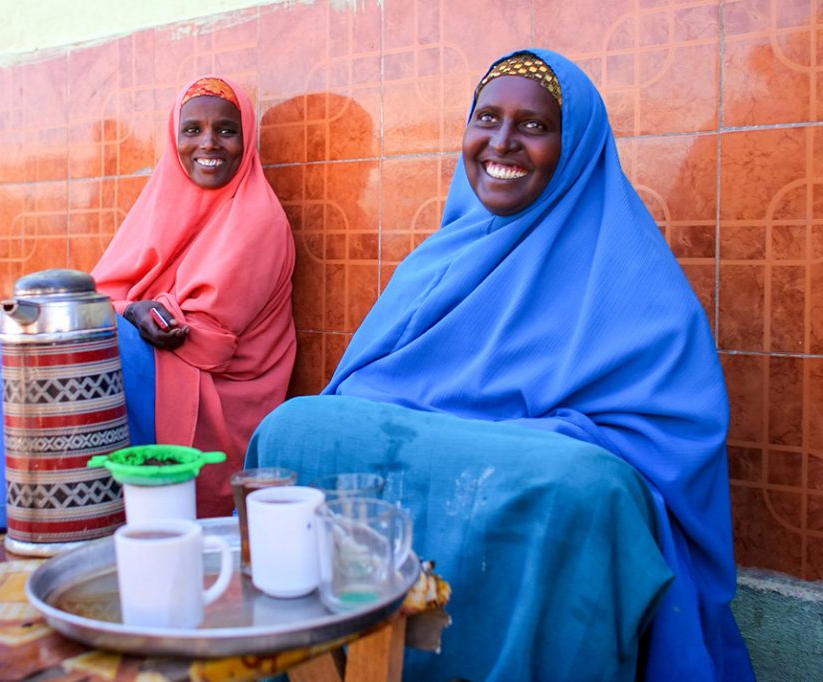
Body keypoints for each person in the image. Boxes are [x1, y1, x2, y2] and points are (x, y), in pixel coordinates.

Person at [245, 50, 755, 680]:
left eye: (534, 126)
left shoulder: (635, 276)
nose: (502, 143)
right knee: (291, 428)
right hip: (451, 460)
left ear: (576, 148)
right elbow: (362, 389)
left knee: (578, 486)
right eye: (487, 118)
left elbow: (662, 450)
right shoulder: (440, 262)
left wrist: (535, 440)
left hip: (541, 486)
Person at [92, 76, 296, 517]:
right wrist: (131, 310)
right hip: (165, 365)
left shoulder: (256, 218)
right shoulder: (161, 202)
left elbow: (201, 338)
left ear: (247, 140)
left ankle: (113, 501)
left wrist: (129, 314)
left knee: (103, 340)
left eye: (226, 130)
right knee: (73, 331)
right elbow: (102, 293)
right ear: (174, 137)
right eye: (192, 130)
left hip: (219, 394)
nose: (209, 143)